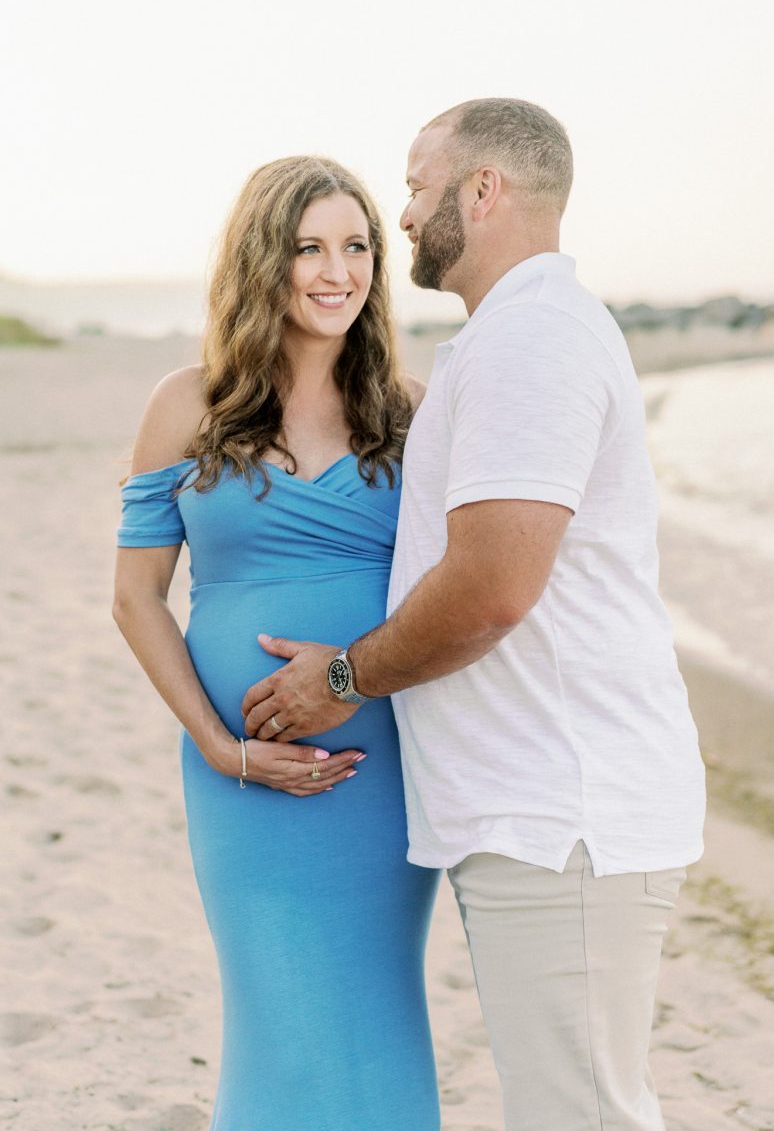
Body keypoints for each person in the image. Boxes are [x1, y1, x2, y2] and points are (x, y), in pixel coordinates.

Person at [241, 100, 707, 1131]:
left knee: (578, 1114)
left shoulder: (529, 339)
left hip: (564, 813)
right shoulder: (516, 332)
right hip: (539, 809)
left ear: (482, 191)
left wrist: (340, 678)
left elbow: (493, 583)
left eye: (415, 185)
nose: (401, 215)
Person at [112, 156, 441, 1131]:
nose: (336, 271)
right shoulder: (189, 403)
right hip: (238, 777)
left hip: (380, 764)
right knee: (277, 1017)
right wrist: (221, 747)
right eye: (308, 247)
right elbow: (136, 600)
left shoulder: (411, 411)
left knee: (377, 1012)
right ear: (265, 258)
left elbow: (460, 588)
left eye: (356, 247)